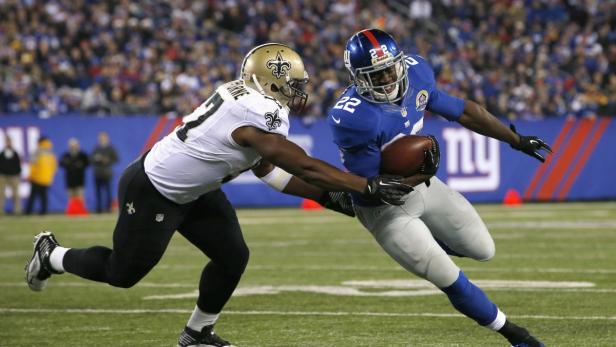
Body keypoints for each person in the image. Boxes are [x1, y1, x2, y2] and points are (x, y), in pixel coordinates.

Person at [24, 43, 413, 347]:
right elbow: (298, 163)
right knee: (122, 274)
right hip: (155, 190)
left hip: (197, 191)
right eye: (292, 84)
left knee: (232, 257)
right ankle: (52, 255)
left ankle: (197, 334)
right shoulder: (259, 111)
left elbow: (266, 169)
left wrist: (333, 198)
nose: (298, 91)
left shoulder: (250, 101)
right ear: (268, 82)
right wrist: (363, 186)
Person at [327, 29, 552, 347]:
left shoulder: (417, 72)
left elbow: (465, 110)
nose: (388, 79)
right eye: (376, 75)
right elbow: (372, 189)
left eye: (391, 69)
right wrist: (421, 173)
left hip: (423, 185)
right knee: (448, 276)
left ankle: (432, 237)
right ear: (358, 78)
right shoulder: (354, 118)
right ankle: (515, 335)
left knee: (483, 249)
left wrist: (514, 140)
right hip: (383, 209)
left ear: (401, 62)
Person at [25, 136, 57, 215]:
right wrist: (50, 176)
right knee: (44, 197)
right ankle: (44, 211)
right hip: (47, 178)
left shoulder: (37, 152)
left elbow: (33, 165)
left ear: (39, 142)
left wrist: (30, 176)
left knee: (33, 196)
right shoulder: (51, 152)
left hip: (37, 177)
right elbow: (54, 166)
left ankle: (28, 211)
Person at [91, 132, 118, 213]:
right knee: (98, 192)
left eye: (103, 138)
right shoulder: (96, 148)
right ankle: (99, 209)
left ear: (107, 138)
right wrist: (97, 159)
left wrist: (107, 160)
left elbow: (116, 158)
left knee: (108, 192)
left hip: (107, 173)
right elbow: (91, 159)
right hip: (97, 173)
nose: (102, 139)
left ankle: (108, 208)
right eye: (101, 138)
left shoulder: (110, 148)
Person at [0, 137, 22, 215]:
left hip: (14, 176)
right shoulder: (2, 153)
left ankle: (17, 210)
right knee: (1, 194)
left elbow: (18, 164)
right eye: (7, 141)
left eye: (9, 141)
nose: (8, 143)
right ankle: (1, 211)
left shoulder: (15, 153)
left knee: (16, 194)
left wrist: (18, 173)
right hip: (3, 176)